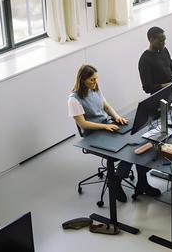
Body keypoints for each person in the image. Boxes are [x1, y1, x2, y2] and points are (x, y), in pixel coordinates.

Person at [68, 65, 161, 202]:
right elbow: (83, 124)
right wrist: (105, 127)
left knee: (141, 140)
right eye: (92, 80)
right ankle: (116, 181)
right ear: (82, 80)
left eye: (96, 79)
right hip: (93, 134)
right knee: (128, 150)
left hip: (107, 126)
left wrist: (116, 117)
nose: (95, 82)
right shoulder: (73, 99)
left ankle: (142, 182)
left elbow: (106, 106)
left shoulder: (95, 88)